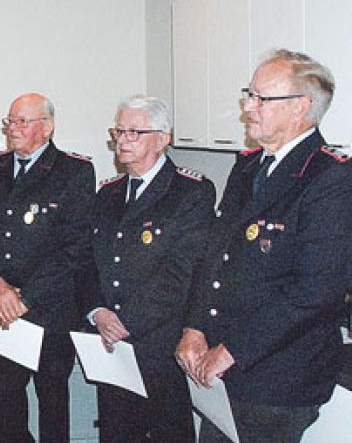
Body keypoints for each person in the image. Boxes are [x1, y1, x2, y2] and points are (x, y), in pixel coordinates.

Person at [176, 49, 352, 443]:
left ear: (300, 107)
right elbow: (216, 256)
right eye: (248, 95)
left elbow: (315, 292)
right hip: (223, 368)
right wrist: (195, 326)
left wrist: (232, 349)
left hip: (279, 380)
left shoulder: (330, 178)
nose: (247, 108)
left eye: (261, 98)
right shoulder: (249, 166)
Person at [0, 93, 94, 443]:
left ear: (47, 128)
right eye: (10, 120)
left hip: (50, 311)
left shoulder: (75, 171)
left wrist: (26, 297)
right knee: (6, 409)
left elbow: (75, 249)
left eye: (23, 121)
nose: (13, 128)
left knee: (53, 405)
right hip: (0, 309)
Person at [84, 95, 214, 442]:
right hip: (111, 342)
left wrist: (126, 320)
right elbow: (91, 261)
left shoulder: (190, 192)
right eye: (119, 131)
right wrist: (98, 311)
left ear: (163, 138)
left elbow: (181, 271)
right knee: (115, 431)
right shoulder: (108, 194)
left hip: (160, 344)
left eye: (134, 132)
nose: (122, 140)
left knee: (169, 432)